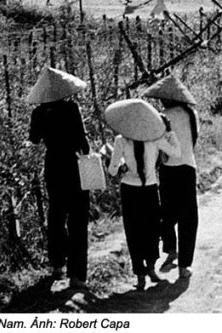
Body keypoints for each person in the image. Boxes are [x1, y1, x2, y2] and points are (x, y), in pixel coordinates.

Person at [26, 67, 92, 289]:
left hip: (52, 166)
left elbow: (34, 139)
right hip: (73, 166)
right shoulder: (72, 109)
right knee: (77, 220)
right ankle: (77, 275)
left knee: (55, 216)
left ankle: (57, 266)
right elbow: (83, 143)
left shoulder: (38, 113)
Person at [107, 111, 182, 290]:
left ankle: (140, 274)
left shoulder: (121, 140)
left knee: (133, 232)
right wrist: (170, 132)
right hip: (149, 189)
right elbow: (177, 152)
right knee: (151, 229)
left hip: (129, 189)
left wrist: (121, 165)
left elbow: (112, 171)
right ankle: (150, 268)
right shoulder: (155, 138)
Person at [146, 76, 199, 280]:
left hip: (168, 169)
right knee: (189, 217)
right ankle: (185, 265)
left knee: (167, 212)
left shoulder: (160, 117)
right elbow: (194, 139)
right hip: (188, 166)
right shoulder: (190, 114)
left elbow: (157, 144)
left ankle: (170, 249)